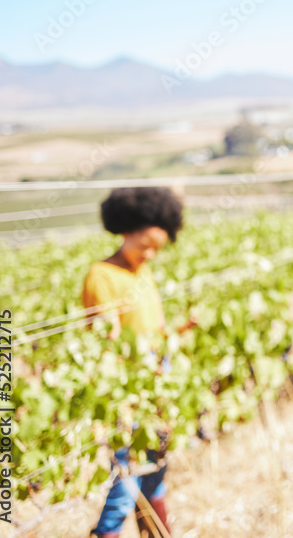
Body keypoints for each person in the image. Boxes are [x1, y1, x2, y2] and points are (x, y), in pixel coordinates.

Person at [85, 186, 190, 538]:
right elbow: (110, 340)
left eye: (157, 249)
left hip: (156, 376)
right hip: (127, 384)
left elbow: (151, 328)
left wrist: (178, 332)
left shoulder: (141, 271)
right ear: (125, 231)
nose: (150, 254)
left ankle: (157, 533)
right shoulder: (102, 275)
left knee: (156, 466)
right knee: (127, 475)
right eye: (145, 245)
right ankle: (108, 532)